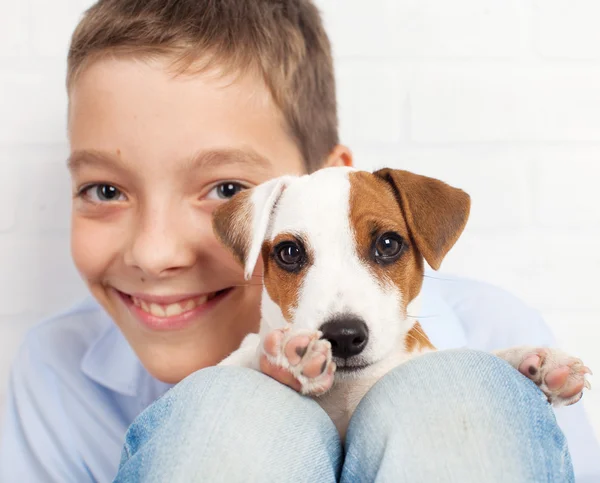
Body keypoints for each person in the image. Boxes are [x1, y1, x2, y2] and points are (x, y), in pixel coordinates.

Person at [1, 0, 598, 481]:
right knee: (230, 411)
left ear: (328, 174)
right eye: (105, 190)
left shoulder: (495, 327)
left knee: (458, 392)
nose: (155, 254)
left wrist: (484, 385)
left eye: (226, 186)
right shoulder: (54, 380)